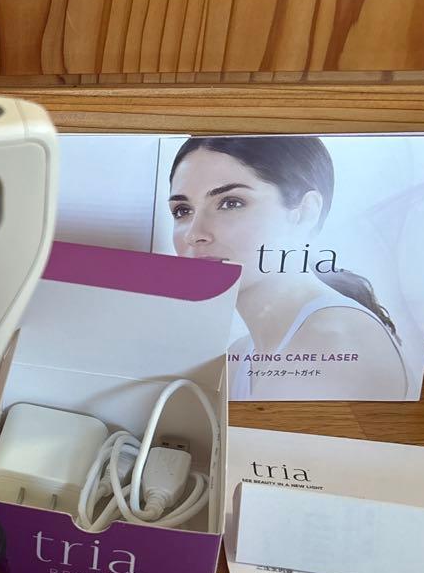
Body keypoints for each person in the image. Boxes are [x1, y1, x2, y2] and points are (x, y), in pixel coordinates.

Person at [167, 136, 407, 401]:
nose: (194, 234)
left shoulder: (335, 342)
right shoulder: (240, 356)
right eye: (182, 210)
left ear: (305, 213)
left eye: (230, 203)